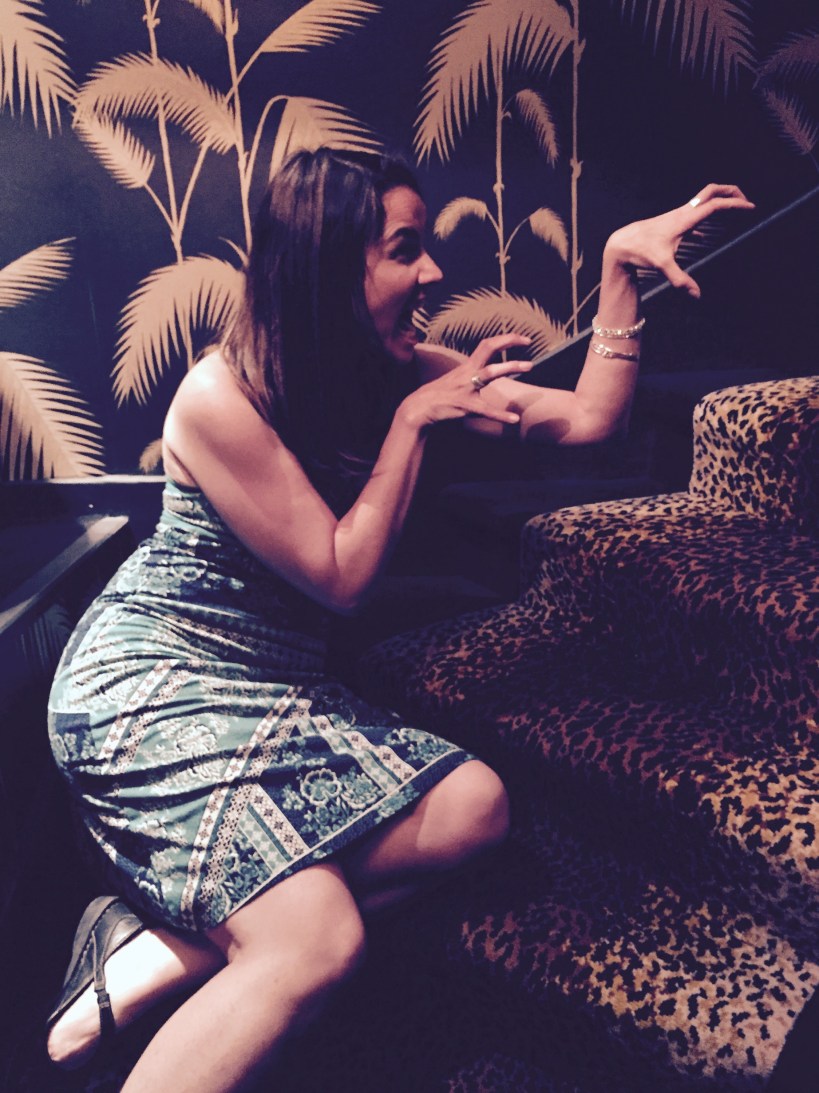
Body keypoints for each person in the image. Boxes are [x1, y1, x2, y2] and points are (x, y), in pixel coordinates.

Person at [45, 148, 753, 1090]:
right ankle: (237, 948)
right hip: (154, 681)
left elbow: (589, 420)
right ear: (330, 268)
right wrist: (412, 423)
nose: (431, 272)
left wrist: (617, 272)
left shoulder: (403, 370)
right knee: (317, 936)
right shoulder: (221, 397)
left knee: (474, 807)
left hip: (275, 688)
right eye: (404, 249)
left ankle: (165, 949)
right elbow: (340, 578)